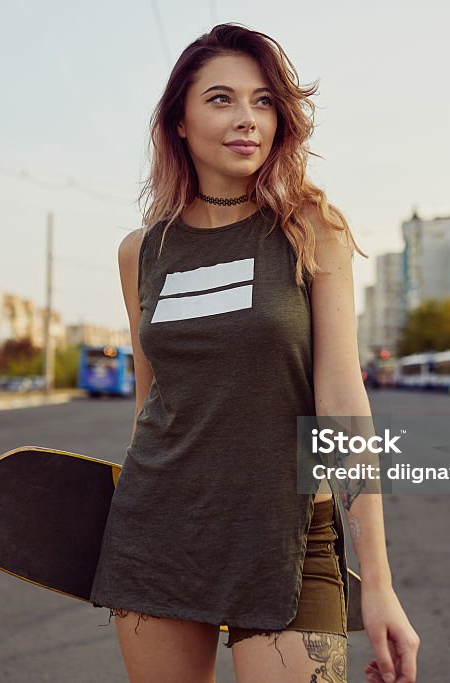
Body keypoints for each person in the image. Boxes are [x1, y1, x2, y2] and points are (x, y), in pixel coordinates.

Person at [90, 23, 419, 683]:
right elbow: (151, 399)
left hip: (289, 539)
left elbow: (341, 401)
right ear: (178, 121)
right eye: (221, 99)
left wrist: (377, 580)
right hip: (158, 535)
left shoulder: (310, 230)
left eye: (264, 101)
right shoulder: (141, 252)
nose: (248, 119)